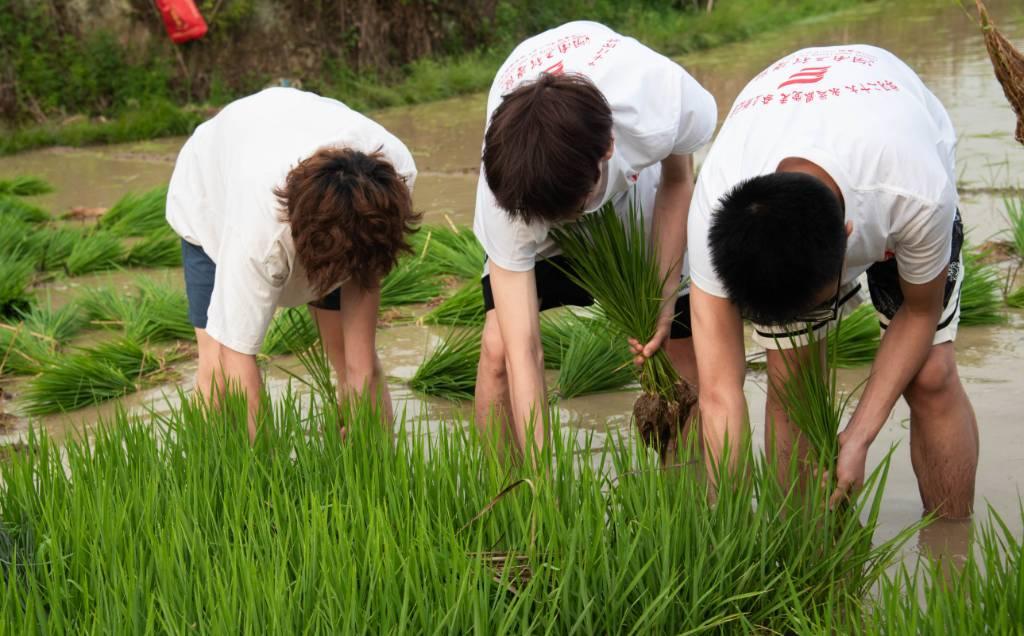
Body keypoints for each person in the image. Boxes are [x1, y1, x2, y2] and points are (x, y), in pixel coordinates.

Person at [679, 45, 977, 518]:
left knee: (931, 376)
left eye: (814, 302)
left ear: (848, 241)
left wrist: (858, 436)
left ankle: (951, 552)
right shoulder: (718, 212)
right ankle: (804, 550)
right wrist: (725, 522)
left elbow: (919, 312)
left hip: (889, 147)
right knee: (792, 385)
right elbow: (718, 394)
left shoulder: (915, 190)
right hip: (788, 137)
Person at [473, 21, 717, 454]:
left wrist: (660, 303)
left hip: (641, 204)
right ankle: (504, 492)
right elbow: (525, 351)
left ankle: (685, 494)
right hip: (539, 189)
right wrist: (541, 483)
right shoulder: (509, 194)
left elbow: (678, 184)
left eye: (575, 208)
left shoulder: (663, 104)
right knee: (497, 353)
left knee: (678, 353)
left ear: (609, 148)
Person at [166, 87, 419, 440]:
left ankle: (373, 456)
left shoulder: (393, 176)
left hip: (338, 212)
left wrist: (371, 457)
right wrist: (262, 472)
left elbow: (361, 365)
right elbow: (238, 363)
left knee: (354, 359)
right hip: (211, 198)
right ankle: (206, 469)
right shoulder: (255, 235)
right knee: (216, 367)